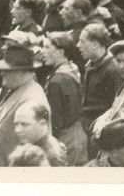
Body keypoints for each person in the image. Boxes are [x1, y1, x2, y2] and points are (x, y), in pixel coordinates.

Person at [0, 44, 50, 167]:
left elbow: (37, 146)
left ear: (21, 72)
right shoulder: (18, 88)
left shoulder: (33, 99)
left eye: (6, 70)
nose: (1, 74)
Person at [39, 32, 88, 166]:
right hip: (75, 134)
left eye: (47, 47)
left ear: (60, 52)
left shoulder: (58, 80)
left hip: (67, 139)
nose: (42, 51)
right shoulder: (70, 68)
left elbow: (55, 119)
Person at [14, 102, 67, 166]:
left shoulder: (53, 158)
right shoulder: (32, 142)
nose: (17, 130)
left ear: (42, 124)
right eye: (16, 124)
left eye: (24, 124)